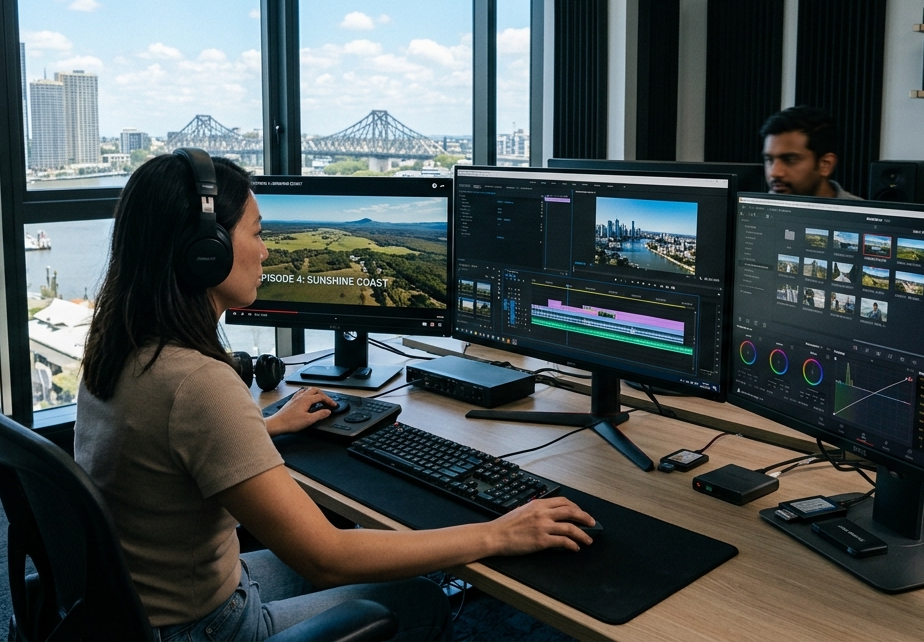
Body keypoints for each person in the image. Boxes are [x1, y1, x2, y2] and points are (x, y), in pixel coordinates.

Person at [74, 152, 595, 642]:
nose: (267, 250)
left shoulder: (123, 345)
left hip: (137, 604)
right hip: (204, 626)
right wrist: (498, 534)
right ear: (204, 254)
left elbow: (169, 444)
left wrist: (265, 427)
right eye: (257, 234)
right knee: (419, 599)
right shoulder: (197, 384)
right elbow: (326, 556)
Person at [759, 106, 862, 199]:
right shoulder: (753, 213)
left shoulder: (861, 216)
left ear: (826, 164)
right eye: (769, 160)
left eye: (789, 160)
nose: (774, 173)